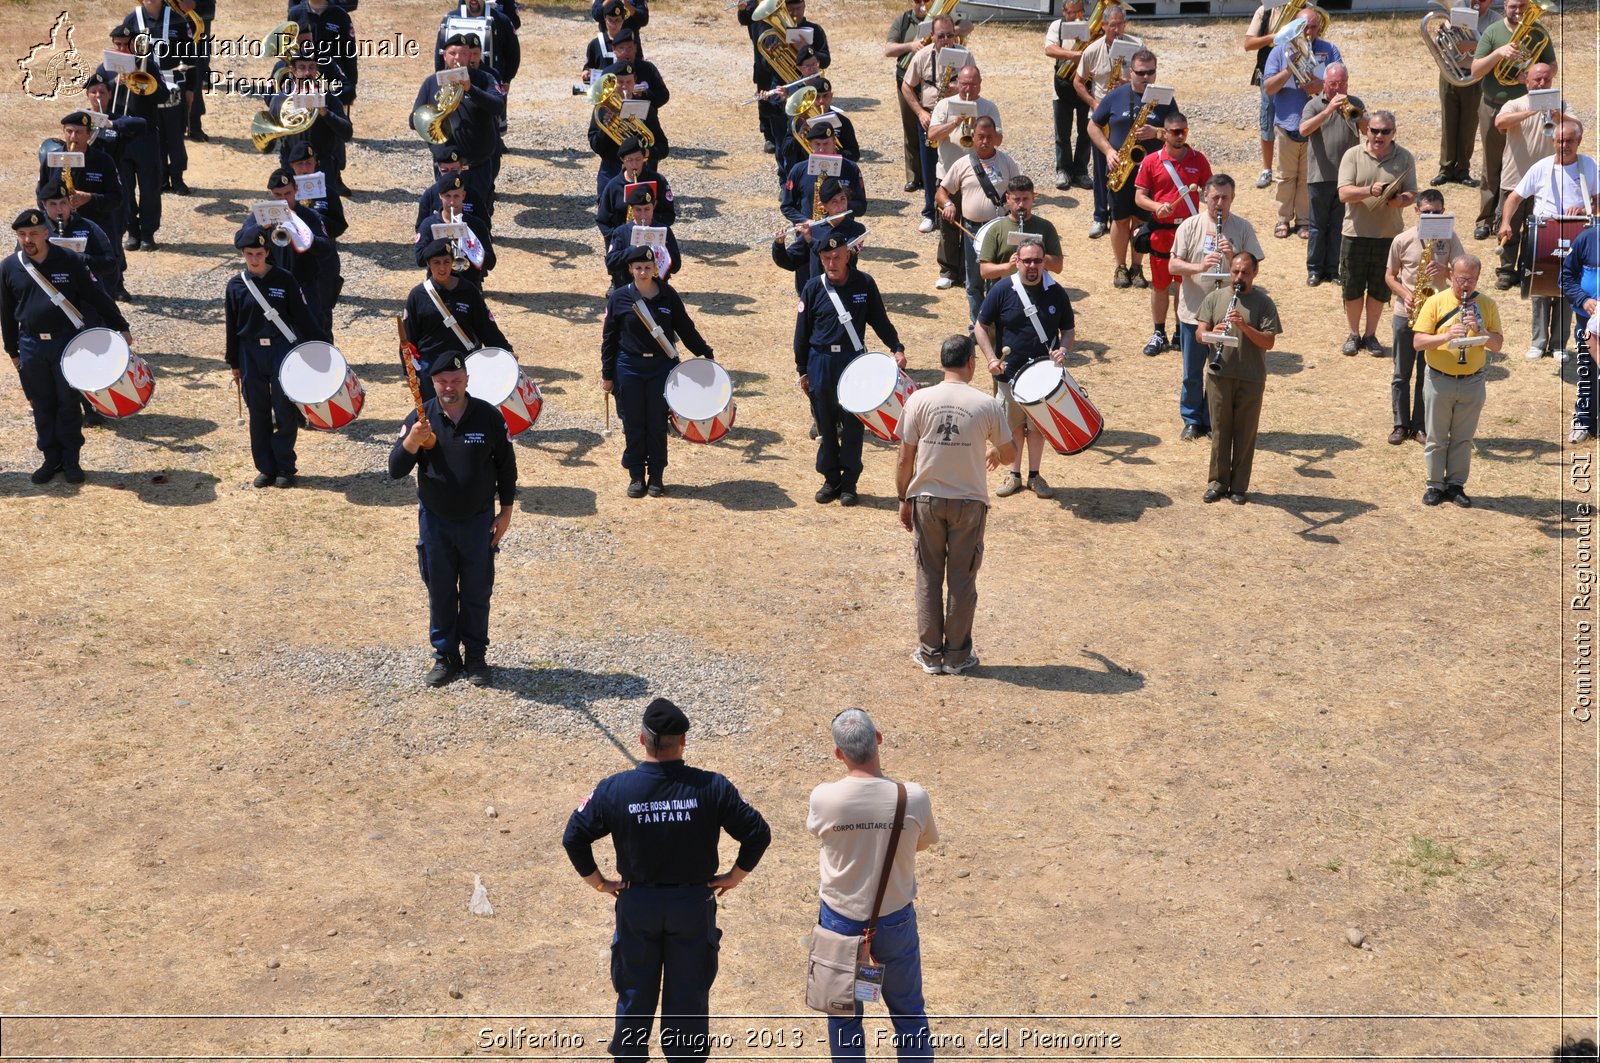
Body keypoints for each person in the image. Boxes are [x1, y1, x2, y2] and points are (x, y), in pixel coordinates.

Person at [563, 697, 771, 1063]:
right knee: (688, 995)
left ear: (641, 740)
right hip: (692, 905)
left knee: (633, 991)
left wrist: (600, 883)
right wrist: (733, 878)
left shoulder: (615, 790)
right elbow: (757, 833)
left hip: (637, 904)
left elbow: (574, 837)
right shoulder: (712, 787)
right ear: (683, 741)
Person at [806, 708, 939, 1060]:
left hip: (841, 923)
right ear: (878, 738)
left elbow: (816, 831)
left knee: (844, 1017)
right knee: (910, 1016)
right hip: (895, 920)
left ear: (838, 753)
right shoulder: (914, 797)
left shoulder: (824, 798)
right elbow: (922, 843)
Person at [388, 346, 517, 687]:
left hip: (478, 522)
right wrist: (413, 441)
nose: (450, 386)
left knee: (477, 591)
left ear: (467, 380)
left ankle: (475, 657)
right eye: (443, 380)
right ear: (431, 382)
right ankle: (445, 657)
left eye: (456, 380)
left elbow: (506, 465)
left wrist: (505, 511)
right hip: (436, 522)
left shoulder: (488, 416)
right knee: (441, 590)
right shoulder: (420, 419)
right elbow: (395, 469)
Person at [896, 335, 1014, 675]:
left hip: (927, 501)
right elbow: (1009, 454)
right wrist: (992, 451)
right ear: (971, 364)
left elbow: (905, 459)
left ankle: (930, 654)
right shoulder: (986, 404)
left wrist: (904, 499)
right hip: (969, 502)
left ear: (941, 363)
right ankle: (957, 656)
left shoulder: (919, 400)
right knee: (962, 580)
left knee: (928, 577)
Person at [1, 208, 131, 485]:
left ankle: (71, 460)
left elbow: (96, 296)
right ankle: (50, 458)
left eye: (33, 234)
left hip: (67, 343)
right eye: (22, 235)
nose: (28, 240)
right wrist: (12, 351)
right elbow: (6, 313)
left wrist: (120, 325)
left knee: (68, 402)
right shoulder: (10, 267)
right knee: (41, 403)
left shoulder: (69, 261)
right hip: (31, 344)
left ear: (46, 233)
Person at [796, 232, 907, 506]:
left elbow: (879, 320)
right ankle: (830, 478)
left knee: (854, 424)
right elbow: (802, 333)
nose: (832, 263)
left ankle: (849, 483)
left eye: (836, 257)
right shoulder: (812, 288)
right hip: (821, 362)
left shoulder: (864, 283)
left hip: (854, 363)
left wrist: (897, 346)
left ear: (848, 256)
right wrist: (802, 369)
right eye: (826, 258)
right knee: (825, 423)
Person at [602, 245, 714, 498]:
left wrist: (704, 351)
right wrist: (607, 374)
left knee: (656, 422)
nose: (643, 272)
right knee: (633, 423)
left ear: (655, 269)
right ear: (630, 269)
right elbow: (609, 338)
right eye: (638, 267)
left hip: (661, 367)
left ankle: (656, 475)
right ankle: (636, 475)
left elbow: (685, 328)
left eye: (648, 268)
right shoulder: (619, 298)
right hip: (628, 367)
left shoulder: (667, 295)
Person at [224, 223, 329, 489]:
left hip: (281, 349)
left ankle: (284, 466)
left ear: (267, 252)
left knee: (284, 409)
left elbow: (302, 317)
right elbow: (231, 326)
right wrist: (234, 362)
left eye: (259, 253)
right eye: (249, 254)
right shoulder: (236, 285)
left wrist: (322, 344)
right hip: (250, 352)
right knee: (257, 411)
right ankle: (265, 467)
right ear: (243, 254)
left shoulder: (284, 279)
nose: (255, 259)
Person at [973, 241, 1074, 499]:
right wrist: (990, 358)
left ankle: (1035, 475)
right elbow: (980, 326)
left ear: (1044, 262)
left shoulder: (1056, 292)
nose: (1032, 266)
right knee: (1012, 426)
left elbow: (1069, 330)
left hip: (1043, 377)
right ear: (1016, 260)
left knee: (1038, 428)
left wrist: (1062, 350)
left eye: (1037, 261)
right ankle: (1014, 474)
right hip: (1010, 375)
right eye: (1027, 261)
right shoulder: (1002, 290)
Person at [1169, 174, 1266, 441]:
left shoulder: (1242, 228)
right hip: (1193, 312)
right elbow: (1173, 266)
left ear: (1233, 198)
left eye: (1225, 198)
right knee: (1191, 371)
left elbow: (1254, 267)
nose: (1220, 203)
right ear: (1205, 197)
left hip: (1227, 314)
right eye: (1215, 198)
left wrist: (1232, 256)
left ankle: (1213, 419)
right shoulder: (1190, 226)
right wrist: (1199, 267)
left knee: (1218, 371)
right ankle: (1191, 419)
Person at [1412, 254, 1504, 508]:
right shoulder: (1435, 302)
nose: (1466, 284)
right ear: (1451, 274)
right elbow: (1418, 342)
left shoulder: (1486, 304)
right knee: (1436, 437)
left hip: (1472, 381)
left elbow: (1497, 345)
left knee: (1463, 438)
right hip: (1440, 380)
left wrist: (1482, 331)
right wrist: (1446, 336)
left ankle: (1456, 485)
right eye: (1462, 278)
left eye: (1472, 280)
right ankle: (1434, 485)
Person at [1501, 119, 1596, 362]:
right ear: (1553, 142)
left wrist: (1586, 209)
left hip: (1577, 236)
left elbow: (1599, 200)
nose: (1564, 145)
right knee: (1539, 285)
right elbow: (1513, 198)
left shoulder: (1589, 165)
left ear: (1579, 141)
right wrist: (1505, 224)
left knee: (1568, 289)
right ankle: (1538, 342)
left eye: (1569, 141)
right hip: (1545, 234)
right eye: (1559, 141)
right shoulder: (1540, 168)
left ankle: (1559, 345)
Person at [1085, 49, 1177, 291]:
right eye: (1141, 73)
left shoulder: (1164, 98)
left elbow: (1179, 132)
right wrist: (1108, 152)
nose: (1146, 77)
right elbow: (1093, 125)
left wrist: (1157, 133)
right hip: (1121, 167)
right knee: (1119, 218)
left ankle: (1137, 266)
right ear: (1130, 72)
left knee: (1142, 218)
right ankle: (1120, 266)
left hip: (1151, 170)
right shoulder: (1115, 96)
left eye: (1151, 72)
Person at [1198, 252, 1282, 505]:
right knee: (1220, 431)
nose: (1239, 277)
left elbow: (1268, 341)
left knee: (1245, 433)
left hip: (1251, 377)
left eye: (1245, 272)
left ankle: (1239, 487)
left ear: (1255, 273)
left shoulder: (1263, 303)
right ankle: (1217, 483)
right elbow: (1199, 334)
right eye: (1235, 271)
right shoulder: (1214, 298)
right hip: (1219, 374)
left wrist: (1244, 327)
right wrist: (1212, 332)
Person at [1384, 189, 1464, 446]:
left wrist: (1446, 270)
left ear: (1444, 212)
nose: (1431, 216)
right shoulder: (1402, 239)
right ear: (1416, 211)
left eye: (1437, 212)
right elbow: (1390, 276)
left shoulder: (1450, 238)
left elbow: (1464, 276)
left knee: (1426, 373)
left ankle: (1420, 425)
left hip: (1436, 316)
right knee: (1401, 373)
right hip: (1405, 313)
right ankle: (1400, 424)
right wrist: (1405, 294)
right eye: (1426, 212)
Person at [1469, 0, 1553, 241]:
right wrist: (1498, 53)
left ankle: (1526, 217)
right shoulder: (1493, 32)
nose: (1518, 11)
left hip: (1528, 109)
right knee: (1492, 164)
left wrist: (1532, 76)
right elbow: (1475, 70)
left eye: (1523, 7)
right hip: (1495, 107)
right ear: (1504, 5)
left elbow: (1552, 67)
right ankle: (1486, 219)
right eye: (1513, 6)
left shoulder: (1538, 33)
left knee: (1523, 164)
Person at [1335, 111, 1416, 357]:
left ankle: (1370, 335)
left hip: (1388, 236)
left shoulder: (1405, 157)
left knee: (1380, 288)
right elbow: (1343, 193)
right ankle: (1353, 334)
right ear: (1366, 130)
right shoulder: (1353, 155)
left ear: (1394, 133)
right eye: (1374, 130)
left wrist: (1399, 201)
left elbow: (1413, 194)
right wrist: (1369, 191)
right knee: (1352, 286)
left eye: (1385, 132)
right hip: (1355, 233)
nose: (1379, 136)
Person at [1132, 111, 1212, 357]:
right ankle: (1159, 332)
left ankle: (1180, 330)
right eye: (1175, 132)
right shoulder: (1151, 161)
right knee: (1160, 285)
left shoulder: (1199, 160)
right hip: (1162, 233)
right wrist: (1157, 207)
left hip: (1188, 232)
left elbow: (1209, 193)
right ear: (1164, 134)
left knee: (1185, 284)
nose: (1180, 136)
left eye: (1184, 131)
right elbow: (1139, 197)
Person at [401, 239, 512, 405]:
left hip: (464, 363)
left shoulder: (468, 291)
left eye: (446, 262)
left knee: (467, 410)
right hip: (431, 366)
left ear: (453, 262)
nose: (442, 267)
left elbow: (486, 327)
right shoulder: (418, 295)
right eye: (436, 262)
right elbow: (408, 338)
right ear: (429, 265)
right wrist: (409, 371)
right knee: (434, 415)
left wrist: (506, 352)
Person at [1263, 5, 1339, 240]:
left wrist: (1320, 86)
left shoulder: (1329, 50)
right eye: (1303, 28)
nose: (1308, 32)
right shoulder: (1279, 51)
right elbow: (1268, 87)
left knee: (1308, 177)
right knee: (1286, 176)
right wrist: (1289, 70)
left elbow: (1340, 84)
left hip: (1315, 123)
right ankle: (1283, 218)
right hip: (1287, 122)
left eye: (1313, 27)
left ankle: (1304, 220)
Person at [936, 117, 1018, 323]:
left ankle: (996, 324)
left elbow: (1019, 191)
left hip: (999, 230)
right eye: (980, 137)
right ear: (972, 137)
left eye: (989, 137)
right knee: (973, 282)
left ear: (996, 139)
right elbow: (941, 192)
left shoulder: (1007, 162)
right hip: (972, 230)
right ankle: (977, 325)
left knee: (998, 281)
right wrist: (948, 205)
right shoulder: (962, 164)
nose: (984, 142)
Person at [927, 65, 1000, 293]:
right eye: (965, 83)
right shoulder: (944, 105)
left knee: (973, 223)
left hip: (976, 175)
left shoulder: (988, 107)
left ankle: (970, 272)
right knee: (948, 225)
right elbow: (931, 135)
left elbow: (998, 139)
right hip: (948, 172)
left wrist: (979, 125)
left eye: (974, 83)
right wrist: (955, 123)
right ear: (957, 83)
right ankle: (948, 271)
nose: (969, 88)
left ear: (980, 83)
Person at [1490, 62, 1560, 291]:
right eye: (1537, 79)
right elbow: (1499, 122)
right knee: (1509, 227)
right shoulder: (1514, 103)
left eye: (1546, 80)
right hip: (1515, 178)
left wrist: (1559, 116)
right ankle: (1506, 271)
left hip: (1545, 182)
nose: (1542, 83)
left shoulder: (1559, 105)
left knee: (1536, 230)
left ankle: (1527, 270)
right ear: (1527, 80)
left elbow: (1577, 129)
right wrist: (1532, 110)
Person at [98, 25, 167, 252]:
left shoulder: (148, 66)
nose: (120, 48)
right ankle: (132, 230)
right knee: (123, 186)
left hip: (145, 136)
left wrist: (142, 82)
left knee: (150, 187)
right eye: (116, 44)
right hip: (118, 137)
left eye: (124, 44)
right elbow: (94, 95)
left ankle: (148, 232)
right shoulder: (106, 69)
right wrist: (111, 84)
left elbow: (163, 95)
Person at [1298, 63, 1364, 286]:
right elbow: (1303, 130)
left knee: (1339, 225)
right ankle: (1314, 270)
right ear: (1324, 84)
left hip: (1347, 178)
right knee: (1317, 226)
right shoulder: (1313, 104)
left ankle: (1334, 270)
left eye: (1342, 83)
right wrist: (1328, 111)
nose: (1338, 88)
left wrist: (1354, 114)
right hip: (1320, 175)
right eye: (1333, 84)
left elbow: (1367, 130)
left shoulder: (1355, 103)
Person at [1073, 2, 1132, 239]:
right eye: (1112, 25)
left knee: (1128, 167)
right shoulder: (1092, 50)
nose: (1116, 30)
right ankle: (1099, 216)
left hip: (1127, 116)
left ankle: (1124, 213)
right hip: (1101, 118)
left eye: (1120, 25)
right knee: (1100, 170)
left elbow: (1151, 76)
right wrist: (1094, 104)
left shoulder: (1136, 46)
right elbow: (1078, 82)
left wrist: (1129, 84)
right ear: (1104, 26)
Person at [900, 15, 963, 235]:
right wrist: (919, 113)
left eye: (949, 35)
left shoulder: (965, 55)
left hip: (957, 116)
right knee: (928, 167)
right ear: (932, 36)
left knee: (955, 165)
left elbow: (976, 83)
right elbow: (906, 87)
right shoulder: (923, 56)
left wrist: (958, 89)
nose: (946, 40)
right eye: (941, 36)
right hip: (930, 116)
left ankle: (957, 209)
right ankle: (929, 212)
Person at [588, 61, 670, 200]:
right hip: (612, 173)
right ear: (613, 84)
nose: (625, 86)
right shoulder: (603, 109)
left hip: (642, 173)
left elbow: (663, 147)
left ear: (635, 81)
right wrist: (607, 128)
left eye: (628, 82)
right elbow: (596, 146)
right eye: (620, 82)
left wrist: (646, 153)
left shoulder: (646, 109)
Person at [1432, 0, 1491, 188]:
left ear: (1491, 2)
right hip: (1450, 73)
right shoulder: (1456, 15)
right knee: (1448, 122)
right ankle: (1445, 169)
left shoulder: (1494, 20)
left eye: (1482, 0)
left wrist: (1473, 44)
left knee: (1469, 124)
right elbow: (1444, 46)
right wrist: (1442, 35)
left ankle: (1463, 170)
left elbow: (1496, 47)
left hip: (1474, 76)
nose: (1476, 3)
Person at [976, 176, 1064, 292]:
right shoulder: (996, 229)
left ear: (1033, 197)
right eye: (1016, 199)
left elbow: (1058, 267)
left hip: (1038, 293)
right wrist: (1009, 266)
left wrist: (1038, 257)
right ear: (1007, 198)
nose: (1021, 205)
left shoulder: (1046, 227)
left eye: (1025, 199)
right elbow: (984, 271)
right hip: (1004, 293)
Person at [1044, 0, 1093, 191]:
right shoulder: (1057, 26)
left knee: (1085, 132)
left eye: (1080, 11)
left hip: (1085, 85)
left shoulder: (1091, 26)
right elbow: (1049, 49)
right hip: (1062, 86)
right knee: (1062, 133)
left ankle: (1081, 172)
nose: (1077, 16)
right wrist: (1073, 55)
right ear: (1064, 11)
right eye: (1072, 12)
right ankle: (1063, 170)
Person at [886, 0, 933, 194]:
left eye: (926, 0)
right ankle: (914, 177)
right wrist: (910, 46)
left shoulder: (938, 19)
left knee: (933, 126)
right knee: (911, 128)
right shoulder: (904, 20)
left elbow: (966, 27)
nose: (922, 4)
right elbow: (888, 49)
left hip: (930, 81)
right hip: (906, 79)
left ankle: (932, 174)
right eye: (917, 0)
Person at [416, 173, 495, 287]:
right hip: (438, 286)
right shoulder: (429, 224)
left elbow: (491, 262)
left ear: (463, 195)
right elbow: (420, 259)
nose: (452, 202)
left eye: (456, 196)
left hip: (469, 287)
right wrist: (441, 243)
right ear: (440, 196)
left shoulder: (476, 225)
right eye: (448, 196)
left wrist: (469, 247)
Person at [1559, 218, 1598, 443]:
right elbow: (1565, 277)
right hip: (1588, 320)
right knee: (1587, 369)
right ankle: (1584, 421)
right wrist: (1583, 300)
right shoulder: (1586, 239)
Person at [598, 135, 675, 246]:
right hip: (623, 244)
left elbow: (669, 215)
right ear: (622, 160)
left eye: (638, 159)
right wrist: (618, 237)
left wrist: (648, 218)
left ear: (644, 158)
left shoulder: (658, 181)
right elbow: (602, 220)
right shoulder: (613, 186)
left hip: (652, 241)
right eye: (630, 160)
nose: (634, 165)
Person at [1242, 0, 1284, 191]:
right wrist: (1273, 37)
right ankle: (1267, 169)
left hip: (1296, 71)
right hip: (1269, 72)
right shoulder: (1265, 10)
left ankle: (1290, 169)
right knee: (1267, 119)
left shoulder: (1304, 9)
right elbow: (1248, 44)